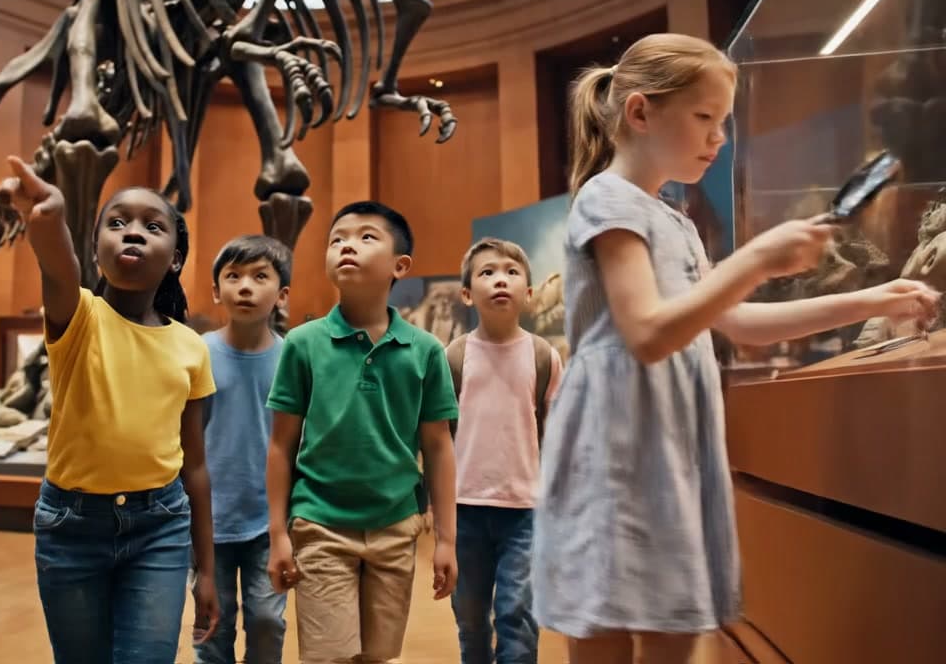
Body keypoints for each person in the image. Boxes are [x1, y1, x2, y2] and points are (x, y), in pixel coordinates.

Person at [530, 32, 941, 664]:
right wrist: (753, 259)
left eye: (722, 122)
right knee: (604, 621)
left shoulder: (675, 219)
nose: (718, 138)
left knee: (675, 621)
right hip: (614, 445)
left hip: (668, 447)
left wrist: (874, 299)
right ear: (640, 113)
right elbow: (645, 332)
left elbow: (740, 321)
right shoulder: (605, 199)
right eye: (704, 118)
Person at [0, 155, 220, 663]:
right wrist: (50, 218)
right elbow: (57, 267)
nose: (133, 233)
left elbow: (197, 465)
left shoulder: (191, 347)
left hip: (159, 525)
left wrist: (205, 570)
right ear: (97, 252)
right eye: (116, 224)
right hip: (71, 527)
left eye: (152, 225)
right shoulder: (79, 318)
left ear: (177, 257)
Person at [264, 201, 460, 664]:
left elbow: (438, 446)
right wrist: (278, 533)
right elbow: (280, 445)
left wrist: (447, 539)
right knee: (329, 656)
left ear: (401, 265)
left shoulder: (426, 351)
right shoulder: (302, 344)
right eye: (337, 239)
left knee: (378, 657)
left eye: (367, 236)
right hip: (320, 525)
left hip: (395, 528)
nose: (347, 244)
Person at [445, 237, 563, 664]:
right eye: (487, 272)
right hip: (464, 511)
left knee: (519, 615)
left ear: (528, 294)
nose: (500, 280)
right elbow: (439, 437)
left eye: (512, 273)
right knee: (471, 617)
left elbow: (558, 434)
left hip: (526, 512)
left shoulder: (543, 356)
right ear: (466, 293)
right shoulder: (453, 358)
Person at [195, 234, 293, 664]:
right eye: (233, 277)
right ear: (217, 290)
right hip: (208, 521)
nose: (245, 287)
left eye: (260, 276)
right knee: (212, 630)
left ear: (282, 293)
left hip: (269, 524)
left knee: (268, 623)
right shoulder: (198, 353)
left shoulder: (293, 359)